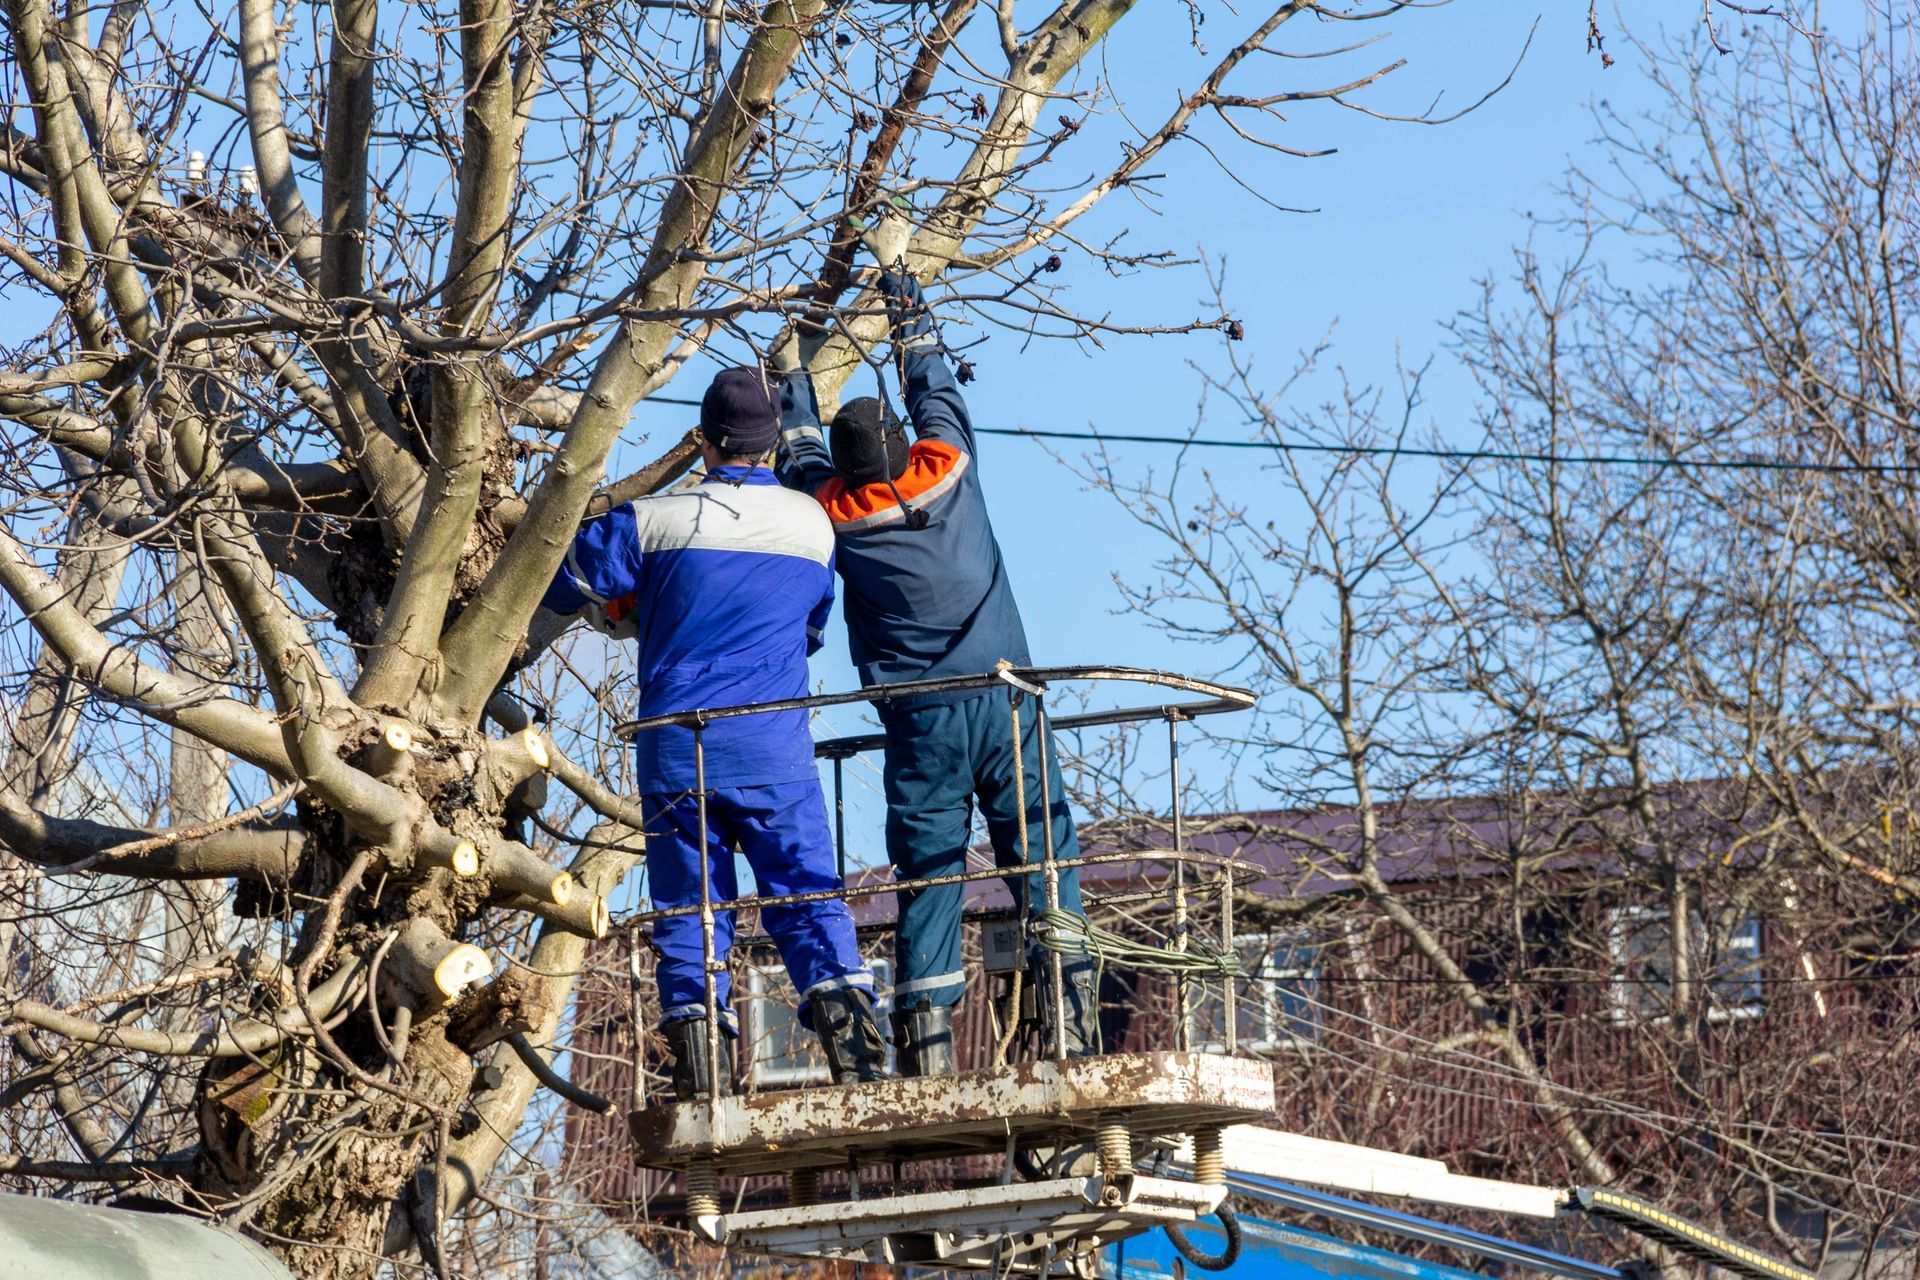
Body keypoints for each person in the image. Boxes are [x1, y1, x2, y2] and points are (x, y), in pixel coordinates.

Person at [774, 260, 1098, 1078]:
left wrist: (791, 378)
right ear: (900, 445)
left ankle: (927, 1040)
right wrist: (904, 298)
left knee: (930, 869)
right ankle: (1072, 1006)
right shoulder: (948, 467)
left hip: (923, 719)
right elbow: (934, 385)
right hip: (1006, 698)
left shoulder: (836, 514)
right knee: (1042, 848)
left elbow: (799, 451)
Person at [543, 367, 888, 1101]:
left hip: (678, 749)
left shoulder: (652, 521)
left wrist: (639, 612)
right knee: (806, 895)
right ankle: (857, 1060)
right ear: (769, 446)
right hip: (771, 748)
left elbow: (559, 579)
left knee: (690, 907)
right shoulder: (812, 526)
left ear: (704, 440)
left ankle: (701, 1077)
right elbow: (810, 632)